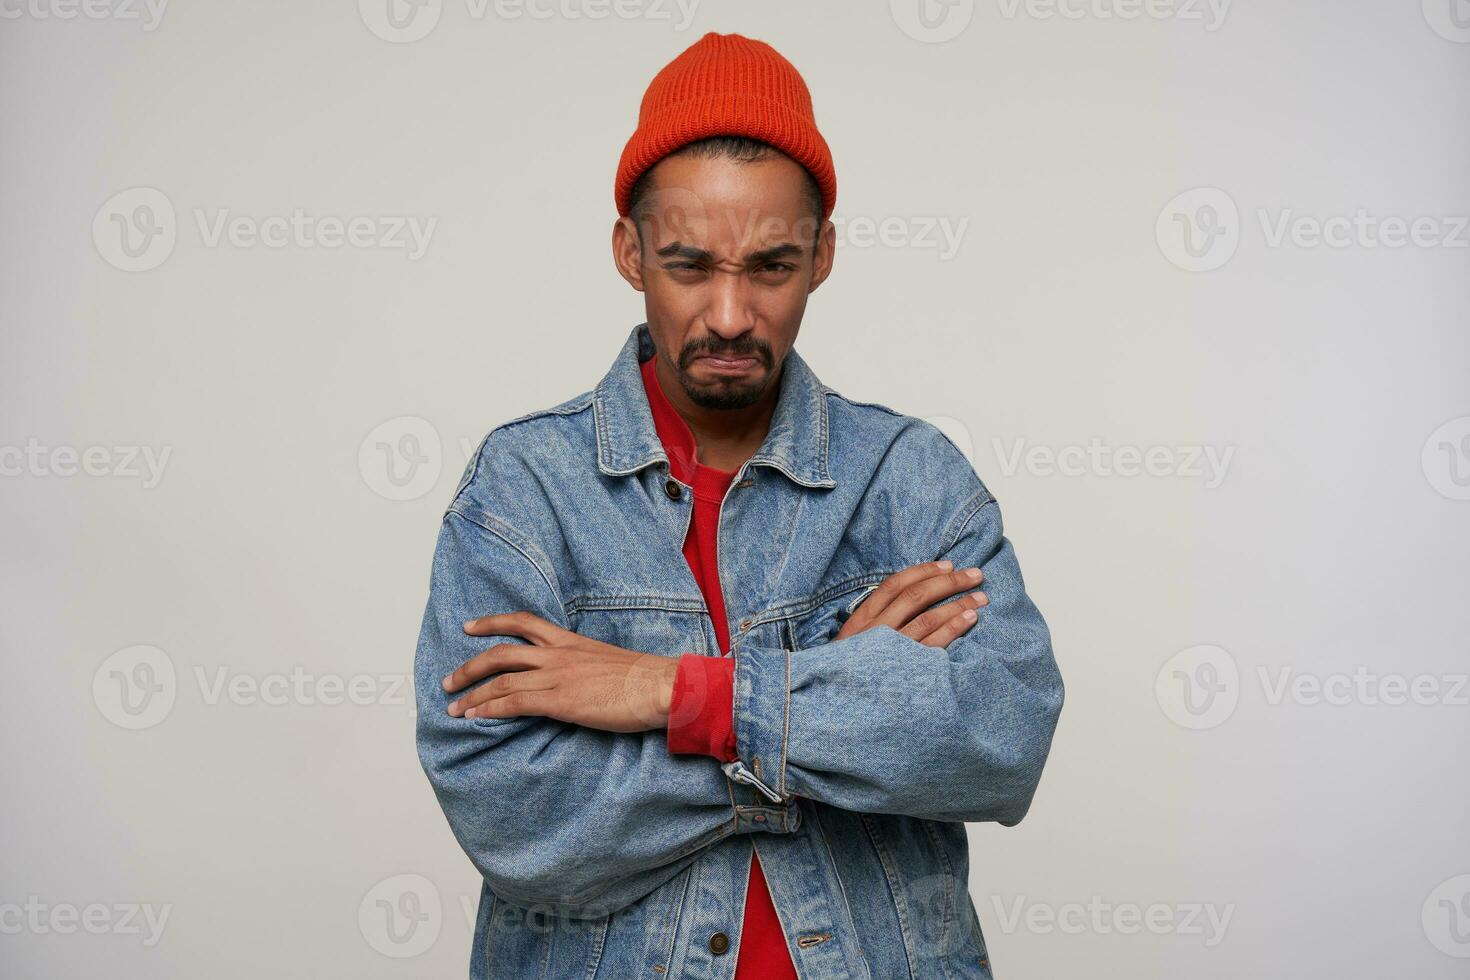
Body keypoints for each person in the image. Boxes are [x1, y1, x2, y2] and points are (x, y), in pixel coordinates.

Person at [414, 31, 1064, 980]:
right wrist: (835, 706)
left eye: (770, 266)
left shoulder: (912, 479)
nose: (728, 315)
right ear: (628, 252)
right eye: (688, 266)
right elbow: (512, 816)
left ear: (824, 255)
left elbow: (1000, 741)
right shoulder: (522, 492)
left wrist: (673, 693)